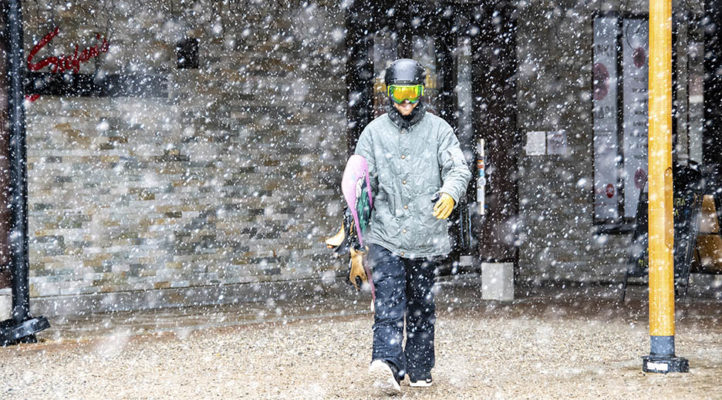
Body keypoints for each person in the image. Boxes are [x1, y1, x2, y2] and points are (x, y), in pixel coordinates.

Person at [354, 58, 471, 395]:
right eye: (398, 94)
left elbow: (458, 168)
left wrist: (450, 192)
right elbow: (362, 185)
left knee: (422, 305)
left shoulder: (439, 130)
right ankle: (386, 365)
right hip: (386, 235)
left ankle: (419, 367)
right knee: (389, 302)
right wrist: (355, 235)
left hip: (425, 236)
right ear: (387, 93)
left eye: (412, 93)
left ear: (423, 91)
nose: (406, 102)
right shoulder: (373, 133)